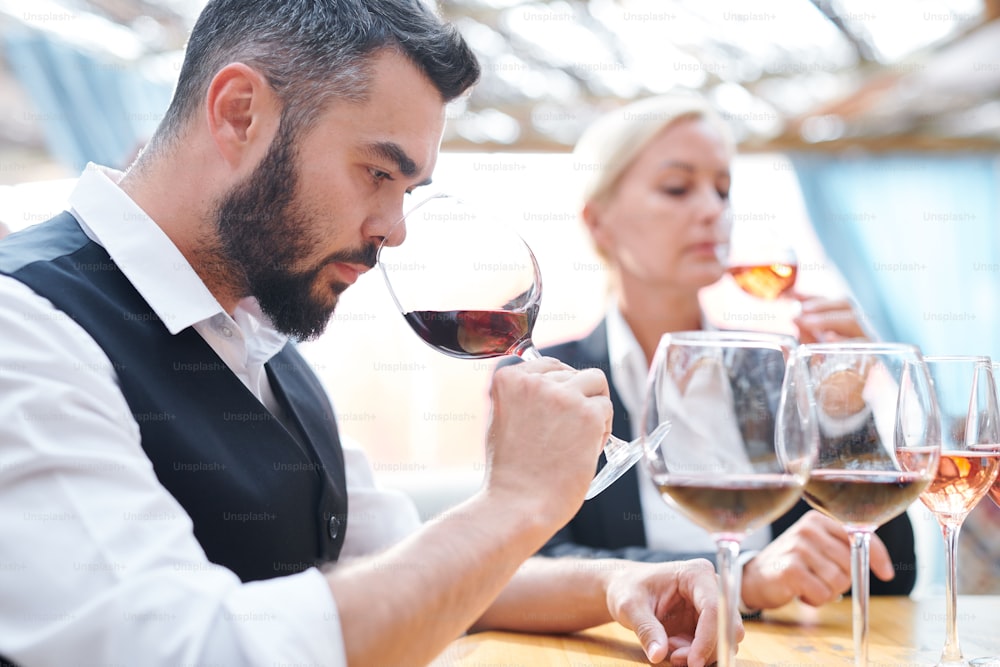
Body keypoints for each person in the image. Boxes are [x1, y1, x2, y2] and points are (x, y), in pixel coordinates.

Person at [0, 4, 730, 667]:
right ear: (239, 112)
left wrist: (614, 583)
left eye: (407, 190)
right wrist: (513, 503)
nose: (396, 229)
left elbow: (410, 565)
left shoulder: (260, 342)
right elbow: (186, 648)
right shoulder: (24, 323)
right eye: (377, 171)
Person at [534, 93, 917, 614]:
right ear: (598, 221)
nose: (714, 210)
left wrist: (843, 412)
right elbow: (530, 566)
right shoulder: (550, 381)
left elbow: (891, 571)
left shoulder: (774, 373)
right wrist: (743, 581)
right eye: (677, 187)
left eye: (723, 189)